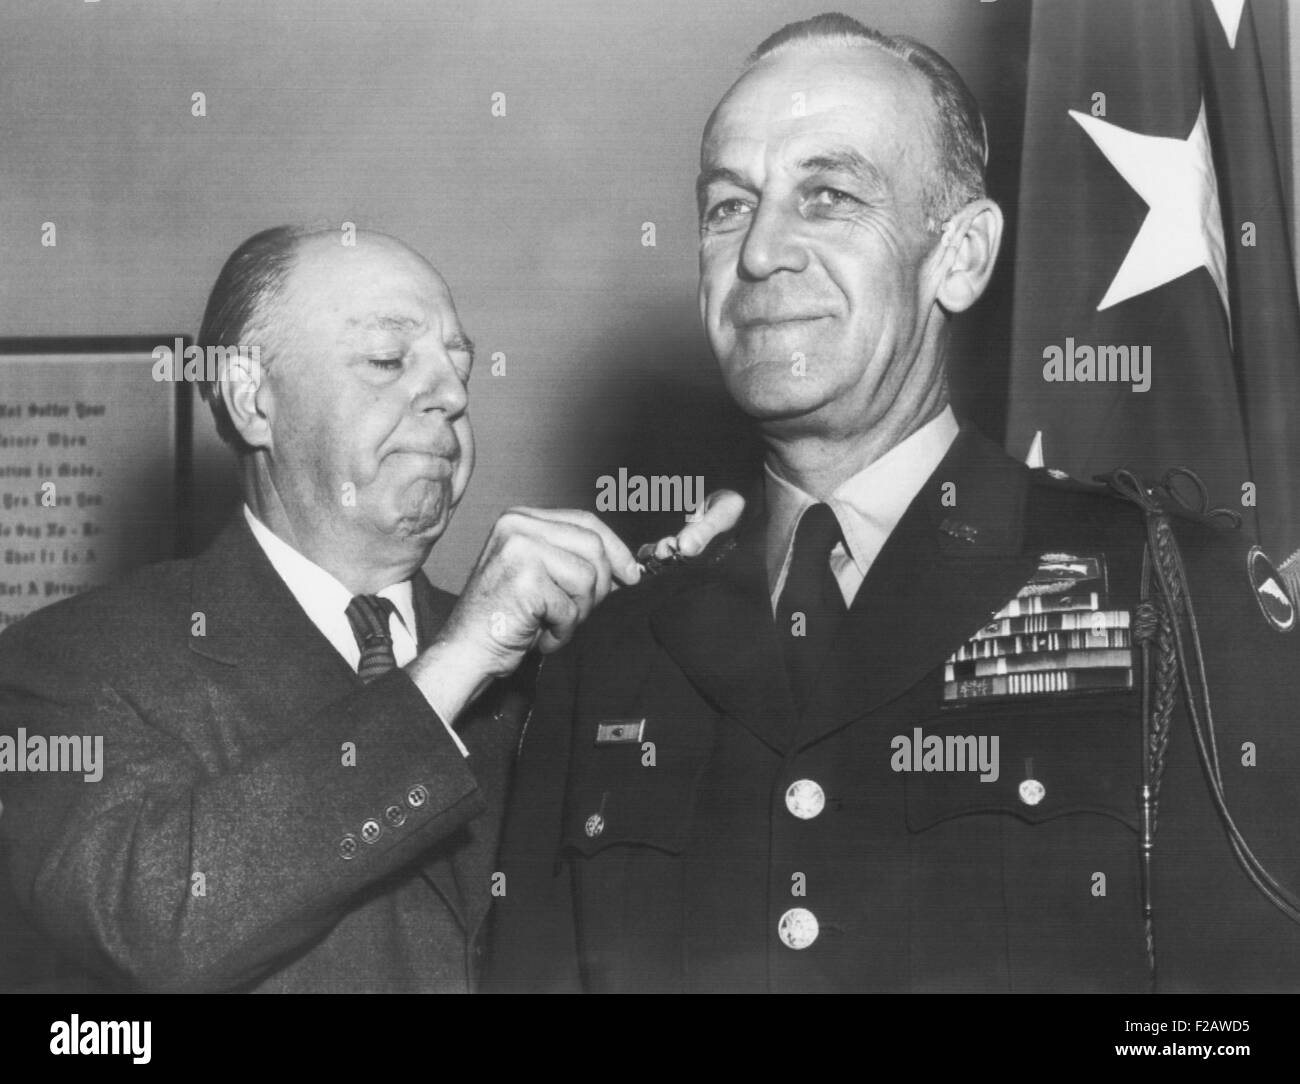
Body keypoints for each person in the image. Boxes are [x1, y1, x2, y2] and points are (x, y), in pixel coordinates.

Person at [486, 13, 1300, 992]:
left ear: (959, 255)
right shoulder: (611, 650)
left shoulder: (1161, 591)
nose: (758, 255)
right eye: (727, 207)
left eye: (826, 195)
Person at [0, 225, 732, 993]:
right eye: (389, 360)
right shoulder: (71, 661)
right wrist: (455, 662)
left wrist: (702, 619)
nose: (450, 395)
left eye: (460, 367)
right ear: (253, 399)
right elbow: (154, 918)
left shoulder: (555, 667)